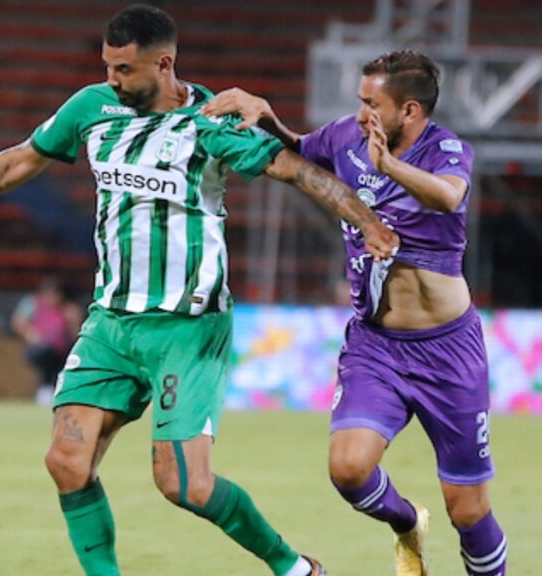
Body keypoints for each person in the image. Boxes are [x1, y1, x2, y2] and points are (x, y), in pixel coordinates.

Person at [0, 5, 398, 575]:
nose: (112, 80)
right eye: (107, 66)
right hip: (112, 323)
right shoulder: (92, 109)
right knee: (67, 461)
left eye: (124, 69)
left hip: (187, 326)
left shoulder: (209, 121)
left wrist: (366, 220)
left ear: (164, 63)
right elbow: (22, 160)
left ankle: (295, 568)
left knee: (184, 485)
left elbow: (296, 171)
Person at [202, 50, 506, 576]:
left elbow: (449, 197)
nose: (362, 112)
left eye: (373, 103)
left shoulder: (447, 151)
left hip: (448, 351)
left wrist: (390, 166)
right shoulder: (346, 136)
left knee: (470, 509)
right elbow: (297, 150)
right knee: (348, 469)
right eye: (361, 101)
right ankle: (408, 521)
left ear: (409, 111)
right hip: (376, 345)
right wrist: (266, 114)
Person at [11, 276, 83, 405]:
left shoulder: (68, 309)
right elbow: (18, 321)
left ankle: (57, 391)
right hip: (41, 348)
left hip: (62, 349)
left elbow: (76, 333)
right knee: (47, 355)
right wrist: (31, 334)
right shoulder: (33, 303)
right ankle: (45, 390)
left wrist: (72, 322)